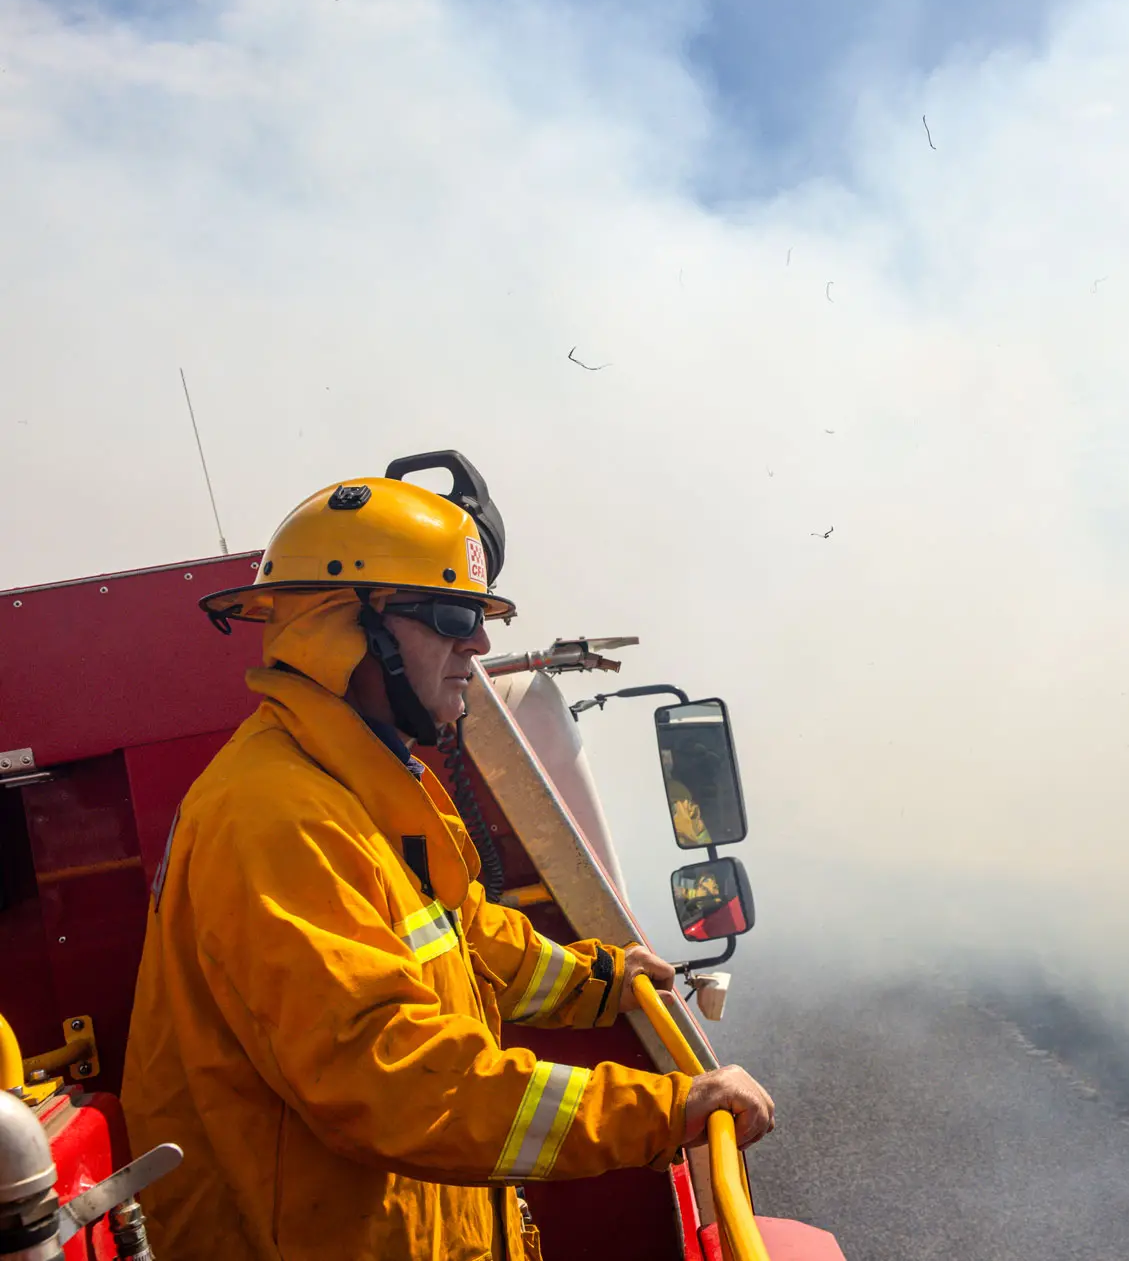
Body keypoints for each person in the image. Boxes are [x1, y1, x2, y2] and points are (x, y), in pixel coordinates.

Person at [123, 472, 774, 1261]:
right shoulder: (272, 818)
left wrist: (596, 977)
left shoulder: (352, 784)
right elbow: (391, 1078)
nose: (481, 644)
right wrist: (661, 1111)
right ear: (340, 627)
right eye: (455, 615)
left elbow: (459, 934)